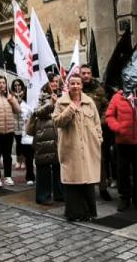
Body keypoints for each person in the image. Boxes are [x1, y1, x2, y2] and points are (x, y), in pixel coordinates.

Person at [54, 72, 102, 221]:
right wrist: (71, 109)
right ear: (68, 85)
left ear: (82, 85)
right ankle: (74, 213)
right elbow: (57, 122)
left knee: (87, 182)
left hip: (89, 148)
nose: (75, 86)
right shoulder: (61, 103)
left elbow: (97, 123)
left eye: (78, 84)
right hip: (71, 148)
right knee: (73, 182)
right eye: (73, 83)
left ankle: (88, 212)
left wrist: (99, 139)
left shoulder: (89, 102)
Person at [105, 80, 137, 211]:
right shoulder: (117, 97)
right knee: (122, 170)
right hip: (123, 141)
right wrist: (118, 128)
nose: (136, 84)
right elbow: (109, 115)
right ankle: (124, 198)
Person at [27, 74, 65, 206]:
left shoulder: (64, 95)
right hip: (44, 135)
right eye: (51, 81)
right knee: (43, 166)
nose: (54, 84)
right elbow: (36, 112)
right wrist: (51, 104)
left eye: (56, 81)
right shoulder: (39, 96)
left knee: (58, 166)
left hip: (59, 135)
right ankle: (43, 196)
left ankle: (60, 193)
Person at [81, 64, 114, 201]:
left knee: (100, 160)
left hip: (96, 131)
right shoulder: (76, 88)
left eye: (88, 73)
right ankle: (85, 189)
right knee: (82, 161)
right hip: (80, 131)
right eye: (83, 73)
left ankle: (102, 188)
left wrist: (101, 121)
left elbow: (107, 106)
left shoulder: (99, 89)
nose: (86, 75)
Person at [10, 78, 35, 183]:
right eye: (15, 85)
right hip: (17, 127)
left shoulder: (28, 96)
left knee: (29, 151)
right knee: (20, 146)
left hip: (28, 128)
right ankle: (20, 162)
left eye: (19, 85)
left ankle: (28, 169)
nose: (17, 87)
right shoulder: (11, 97)